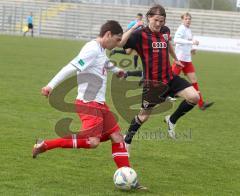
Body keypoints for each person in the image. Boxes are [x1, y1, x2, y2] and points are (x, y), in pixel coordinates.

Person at [32, 20, 146, 190]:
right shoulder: (91, 49)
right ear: (107, 35)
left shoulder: (100, 49)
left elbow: (104, 62)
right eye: (116, 39)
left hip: (99, 103)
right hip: (88, 103)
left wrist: (118, 71)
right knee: (92, 142)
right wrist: (50, 86)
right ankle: (45, 145)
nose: (118, 43)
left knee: (117, 137)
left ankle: (129, 178)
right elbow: (70, 67)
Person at [116, 5, 200, 150]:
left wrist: (175, 58)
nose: (159, 24)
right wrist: (134, 27)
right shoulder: (139, 34)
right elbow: (120, 43)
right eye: (156, 20)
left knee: (194, 97)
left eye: (162, 21)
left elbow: (167, 44)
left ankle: (171, 120)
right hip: (153, 84)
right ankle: (127, 141)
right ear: (149, 18)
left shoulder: (165, 31)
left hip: (170, 78)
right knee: (143, 117)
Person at [172, 12, 214, 110]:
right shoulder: (181, 28)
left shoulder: (189, 30)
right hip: (179, 59)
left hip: (187, 60)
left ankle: (201, 104)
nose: (188, 20)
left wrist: (191, 49)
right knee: (170, 80)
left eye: (189, 19)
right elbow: (176, 40)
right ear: (182, 20)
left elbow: (186, 43)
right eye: (186, 19)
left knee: (194, 81)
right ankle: (161, 95)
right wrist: (191, 42)